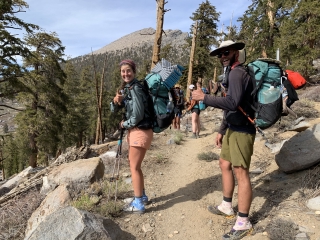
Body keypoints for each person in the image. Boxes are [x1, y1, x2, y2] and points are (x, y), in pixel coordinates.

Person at [191, 40, 256, 240]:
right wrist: (222, 129)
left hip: (243, 130)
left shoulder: (237, 73)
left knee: (241, 173)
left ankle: (243, 222)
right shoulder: (231, 73)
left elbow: (232, 102)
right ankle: (227, 206)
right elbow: (232, 107)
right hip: (233, 128)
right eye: (220, 54)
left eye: (226, 52)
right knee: (224, 163)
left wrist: (204, 98)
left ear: (236, 52)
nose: (222, 56)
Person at [112, 59, 153, 214]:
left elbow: (137, 115)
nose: (125, 73)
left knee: (134, 167)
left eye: (128, 70)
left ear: (134, 72)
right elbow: (126, 109)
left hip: (139, 130)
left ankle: (138, 203)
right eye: (123, 71)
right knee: (136, 166)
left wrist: (124, 124)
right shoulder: (129, 88)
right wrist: (117, 102)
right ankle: (141, 196)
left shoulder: (135, 88)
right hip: (139, 131)